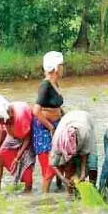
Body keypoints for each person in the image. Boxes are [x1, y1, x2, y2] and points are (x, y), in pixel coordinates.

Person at [0, 96, 34, 192]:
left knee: (27, 170)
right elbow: (3, 133)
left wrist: (17, 157)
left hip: (26, 137)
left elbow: (27, 139)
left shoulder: (20, 117)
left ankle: (28, 194)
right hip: (13, 135)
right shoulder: (2, 117)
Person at [32, 51, 65, 193]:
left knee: (59, 162)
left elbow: (54, 105)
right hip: (44, 131)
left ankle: (58, 188)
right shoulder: (45, 86)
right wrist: (51, 127)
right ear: (56, 68)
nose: (63, 68)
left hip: (54, 127)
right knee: (50, 168)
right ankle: (44, 200)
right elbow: (36, 111)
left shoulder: (54, 83)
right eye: (62, 65)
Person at [49, 110, 98, 191]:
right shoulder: (57, 141)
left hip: (85, 119)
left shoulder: (84, 133)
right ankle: (60, 187)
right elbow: (53, 165)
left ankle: (94, 188)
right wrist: (64, 179)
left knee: (92, 160)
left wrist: (82, 174)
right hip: (67, 120)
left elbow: (84, 155)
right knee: (65, 164)